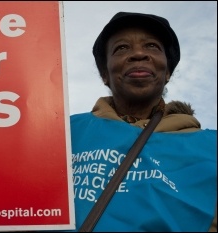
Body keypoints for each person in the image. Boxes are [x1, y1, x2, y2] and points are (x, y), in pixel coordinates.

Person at [70, 12, 217, 232]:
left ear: (167, 71)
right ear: (104, 74)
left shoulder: (210, 147)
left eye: (151, 46)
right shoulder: (64, 133)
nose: (138, 54)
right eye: (121, 48)